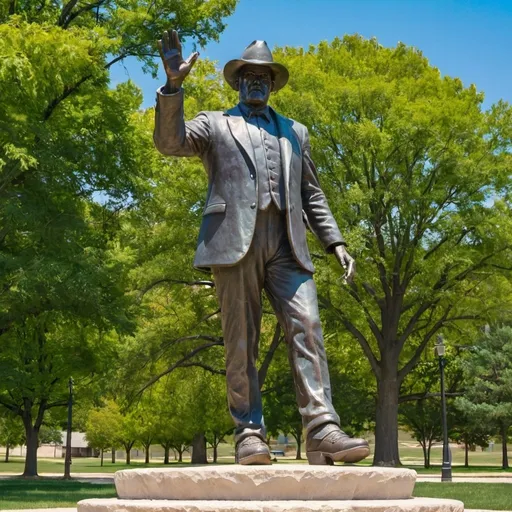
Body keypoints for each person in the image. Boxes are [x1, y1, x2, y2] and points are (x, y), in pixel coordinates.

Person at [153, 30, 370, 466]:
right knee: (240, 341)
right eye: (249, 76)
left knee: (307, 326)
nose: (256, 82)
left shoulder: (295, 132)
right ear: (238, 83)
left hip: (288, 243)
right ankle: (249, 433)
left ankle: (322, 428)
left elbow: (312, 194)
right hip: (234, 242)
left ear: (273, 84)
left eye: (264, 77)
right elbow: (169, 143)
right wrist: (173, 87)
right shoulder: (215, 124)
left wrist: (337, 242)